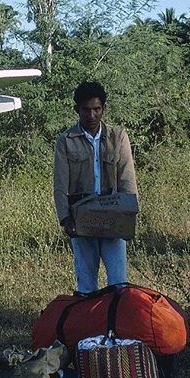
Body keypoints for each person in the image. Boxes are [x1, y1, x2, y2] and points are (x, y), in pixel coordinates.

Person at [53, 81, 138, 294]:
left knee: (119, 284)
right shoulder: (65, 141)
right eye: (86, 110)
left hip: (113, 217)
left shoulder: (117, 137)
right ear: (77, 110)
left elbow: (127, 180)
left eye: (96, 109)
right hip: (81, 220)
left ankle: (115, 327)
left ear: (103, 109)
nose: (91, 115)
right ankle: (91, 327)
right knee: (87, 286)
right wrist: (65, 219)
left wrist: (129, 218)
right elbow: (60, 185)